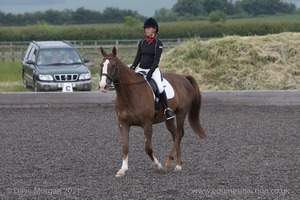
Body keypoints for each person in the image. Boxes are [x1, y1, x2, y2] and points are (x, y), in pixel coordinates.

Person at [130, 17, 175, 120]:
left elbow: (156, 60)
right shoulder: (142, 43)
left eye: (148, 28)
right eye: (145, 28)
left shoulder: (158, 44)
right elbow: (138, 57)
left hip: (153, 70)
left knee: (159, 87)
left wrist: (150, 72)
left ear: (154, 29)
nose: (146, 30)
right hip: (141, 69)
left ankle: (167, 109)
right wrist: (132, 68)